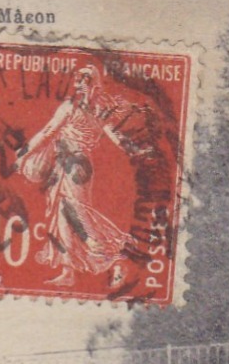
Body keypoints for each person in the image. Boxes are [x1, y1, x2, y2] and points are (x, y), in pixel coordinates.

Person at [12, 65, 152, 288]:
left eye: (82, 82)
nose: (78, 86)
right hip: (73, 165)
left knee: (76, 214)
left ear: (90, 85)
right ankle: (68, 272)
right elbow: (116, 137)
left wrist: (23, 154)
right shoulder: (98, 111)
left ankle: (115, 257)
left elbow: (48, 131)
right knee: (64, 217)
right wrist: (134, 150)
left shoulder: (72, 108)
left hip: (72, 165)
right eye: (77, 82)